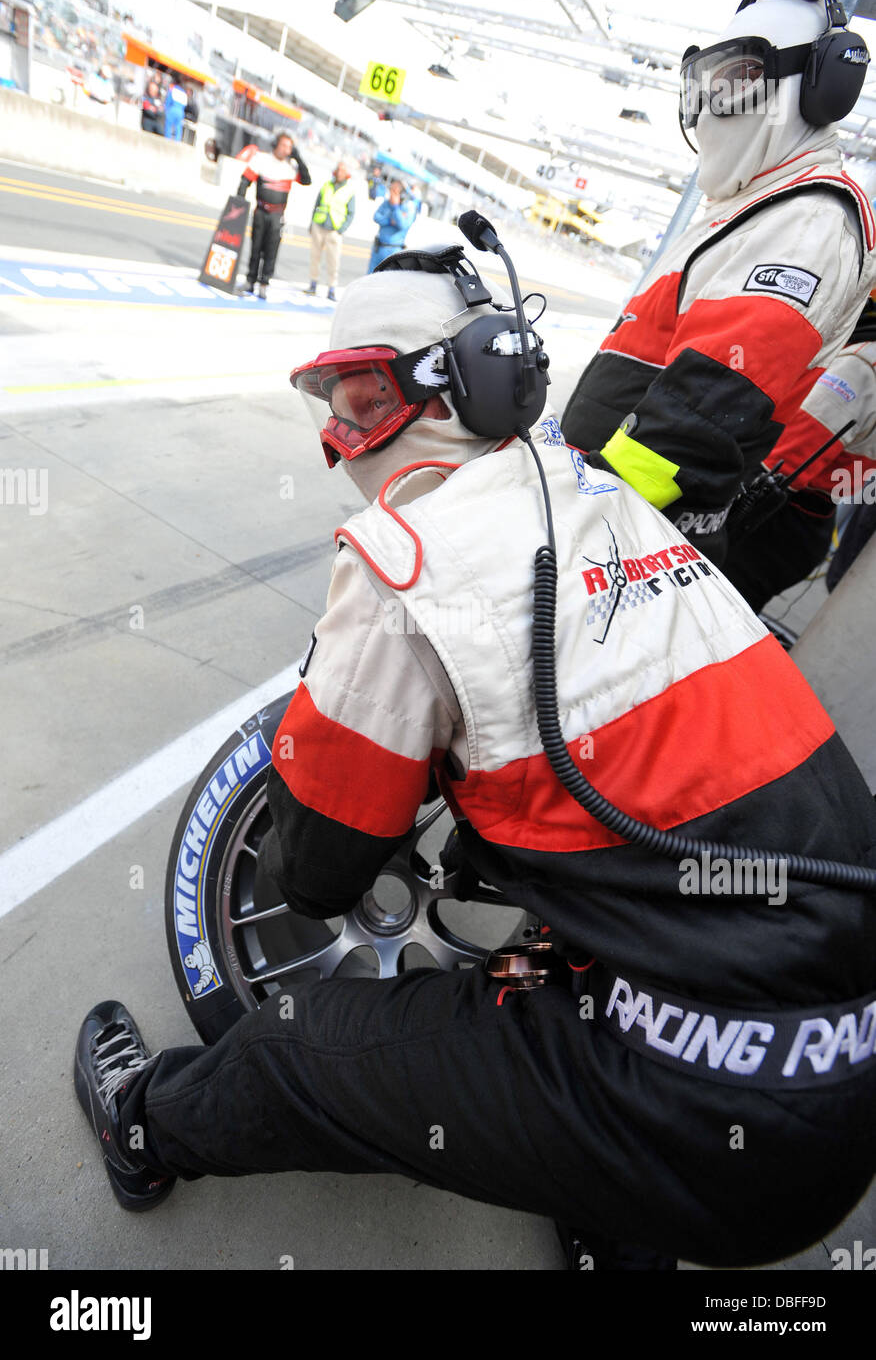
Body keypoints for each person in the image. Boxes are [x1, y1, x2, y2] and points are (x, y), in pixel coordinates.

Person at [75, 251, 876, 1271]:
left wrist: (347, 718)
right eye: (330, 400)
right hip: (843, 1075)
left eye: (361, 397)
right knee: (572, 948)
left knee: (294, 1042)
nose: (339, 436)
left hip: (704, 1106)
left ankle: (139, 1131)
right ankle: (620, 1220)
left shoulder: (408, 567)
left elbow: (315, 873)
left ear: (469, 380)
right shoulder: (604, 494)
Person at [561, 0, 875, 566]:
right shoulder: (749, 207)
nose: (709, 108)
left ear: (820, 88)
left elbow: (696, 420)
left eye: (739, 80)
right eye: (702, 84)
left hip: (620, 536)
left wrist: (578, 520)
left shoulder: (805, 220)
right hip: (604, 512)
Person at [722, 291, 876, 612]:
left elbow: (781, 465)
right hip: (809, 523)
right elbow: (851, 484)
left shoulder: (862, 364)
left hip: (772, 520)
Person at [236, 131, 311, 300]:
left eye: (290, 147)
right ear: (276, 144)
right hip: (261, 211)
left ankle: (264, 284)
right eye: (284, 145)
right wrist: (239, 202)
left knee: (271, 251)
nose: (286, 150)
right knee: (256, 249)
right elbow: (245, 180)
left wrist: (298, 157)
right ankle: (250, 281)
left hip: (278, 215)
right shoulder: (261, 160)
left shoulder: (291, 166)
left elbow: (307, 180)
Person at [307, 157, 356, 302]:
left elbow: (351, 213)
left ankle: (331, 288)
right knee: (315, 256)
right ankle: (313, 283)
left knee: (333, 261)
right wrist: (312, 223)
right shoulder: (326, 185)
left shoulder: (349, 190)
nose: (339, 172)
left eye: (343, 170)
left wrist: (341, 228)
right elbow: (317, 204)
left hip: (334, 230)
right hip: (319, 225)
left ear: (347, 174)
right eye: (338, 169)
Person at [367, 179, 416, 272]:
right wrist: (389, 221)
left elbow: (402, 225)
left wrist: (395, 207)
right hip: (378, 248)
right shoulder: (386, 203)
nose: (391, 195)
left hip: (393, 250)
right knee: (370, 277)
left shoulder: (408, 208)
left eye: (394, 192)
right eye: (391, 191)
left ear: (402, 194)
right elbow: (376, 217)